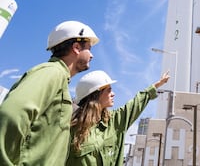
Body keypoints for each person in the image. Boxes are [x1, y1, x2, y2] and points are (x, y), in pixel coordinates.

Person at [0, 20, 99, 166]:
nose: (92, 55)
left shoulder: (59, 78)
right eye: (89, 49)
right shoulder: (52, 72)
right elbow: (11, 114)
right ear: (77, 47)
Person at [66, 70, 170, 166]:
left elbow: (136, 103)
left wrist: (157, 84)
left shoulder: (115, 121)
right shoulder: (70, 128)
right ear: (96, 94)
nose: (113, 94)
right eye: (109, 90)